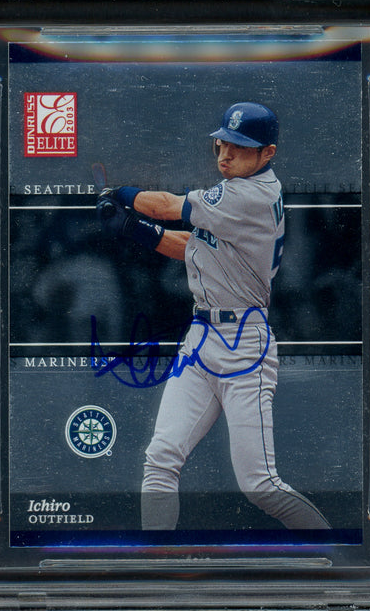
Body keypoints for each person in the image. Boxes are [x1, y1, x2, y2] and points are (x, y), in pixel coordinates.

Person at [97, 101, 330, 531]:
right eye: (222, 144)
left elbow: (166, 205)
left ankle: (334, 548)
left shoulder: (252, 194)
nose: (225, 155)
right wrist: (134, 230)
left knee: (260, 485)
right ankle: (156, 562)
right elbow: (195, 247)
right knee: (160, 459)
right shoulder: (238, 192)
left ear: (267, 153)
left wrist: (121, 195)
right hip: (201, 338)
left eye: (240, 147)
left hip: (244, 346)